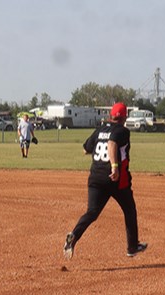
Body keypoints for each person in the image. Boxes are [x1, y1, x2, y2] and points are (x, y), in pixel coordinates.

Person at [63, 102, 147, 259]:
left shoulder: (100, 129)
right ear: (124, 117)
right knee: (129, 210)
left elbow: (85, 149)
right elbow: (112, 143)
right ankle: (132, 247)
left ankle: (74, 235)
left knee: (92, 212)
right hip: (116, 179)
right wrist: (114, 166)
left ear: (111, 116)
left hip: (96, 177)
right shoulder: (122, 131)